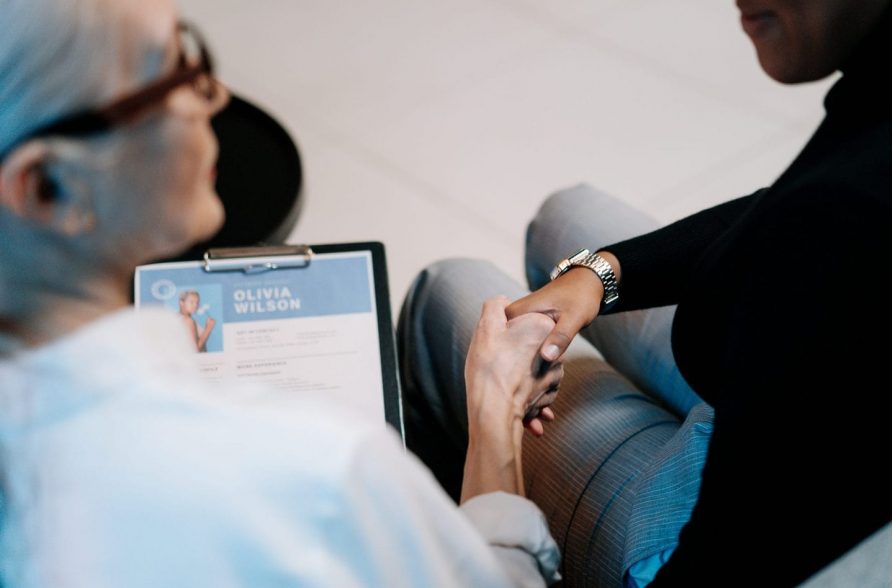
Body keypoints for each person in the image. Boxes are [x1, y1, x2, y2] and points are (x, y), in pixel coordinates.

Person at [405, 0, 892, 585]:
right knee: (564, 221)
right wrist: (601, 273)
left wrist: (495, 411)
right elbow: (802, 202)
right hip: (843, 406)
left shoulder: (845, 229)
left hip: (755, 529)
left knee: (446, 290)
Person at [0, 0, 562, 586]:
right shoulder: (316, 473)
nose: (213, 95)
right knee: (443, 293)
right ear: (46, 187)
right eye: (174, 66)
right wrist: (495, 405)